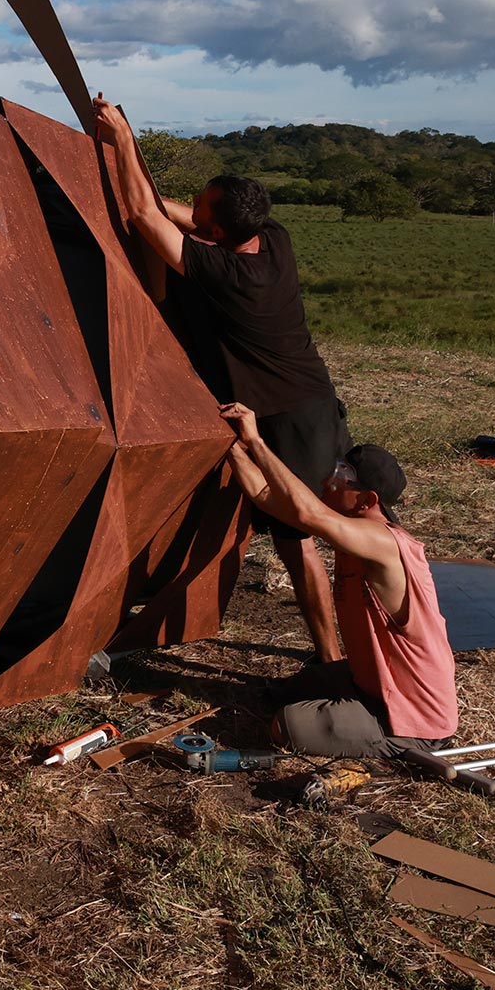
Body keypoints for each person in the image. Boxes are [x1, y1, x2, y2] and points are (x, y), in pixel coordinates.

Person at [91, 96, 350, 664]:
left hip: (284, 419)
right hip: (313, 402)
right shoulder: (271, 237)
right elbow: (176, 215)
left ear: (218, 232)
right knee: (300, 526)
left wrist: (124, 140)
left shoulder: (229, 273)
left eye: (203, 208)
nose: (194, 210)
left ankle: (331, 660)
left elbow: (148, 218)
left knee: (298, 540)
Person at [218, 401, 458, 758]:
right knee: (285, 692)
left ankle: (399, 743)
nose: (328, 482)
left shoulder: (384, 543)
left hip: (413, 718)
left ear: (366, 500)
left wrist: (256, 442)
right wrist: (231, 446)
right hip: (371, 683)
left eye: (341, 476)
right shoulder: (354, 532)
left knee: (285, 725)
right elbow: (265, 497)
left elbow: (306, 512)